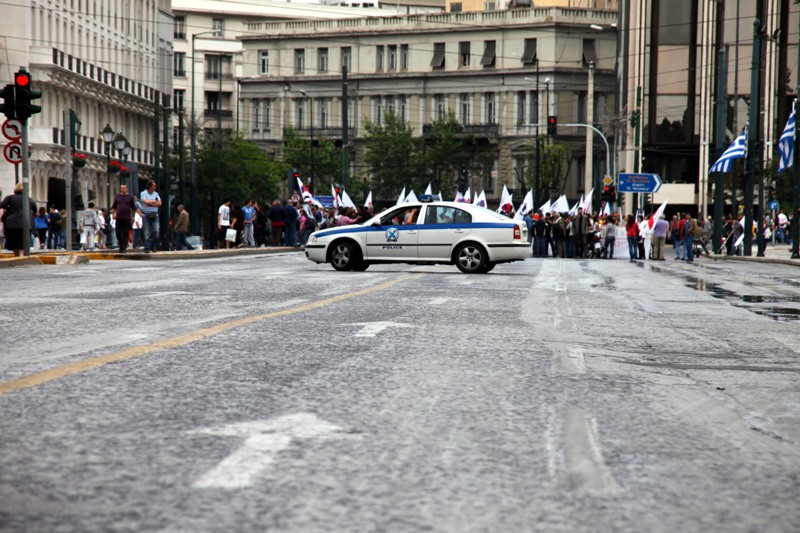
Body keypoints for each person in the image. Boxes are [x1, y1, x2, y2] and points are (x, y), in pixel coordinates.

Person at [0, 182, 37, 256]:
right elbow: (35, 208)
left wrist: (8, 208)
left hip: (12, 224)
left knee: (14, 243)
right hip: (25, 223)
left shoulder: (10, 198)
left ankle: (17, 256)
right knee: (23, 243)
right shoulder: (28, 199)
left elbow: (1, 205)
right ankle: (21, 256)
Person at [111, 184, 138, 254]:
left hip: (127, 218)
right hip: (118, 217)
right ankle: (120, 244)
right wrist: (113, 214)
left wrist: (133, 217)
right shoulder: (117, 196)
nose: (122, 189)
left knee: (125, 233)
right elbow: (114, 206)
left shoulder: (130, 197)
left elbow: (133, 208)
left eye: (124, 188)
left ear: (127, 189)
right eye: (121, 188)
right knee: (118, 232)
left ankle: (123, 247)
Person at [139, 180, 162, 253]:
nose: (155, 187)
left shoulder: (156, 194)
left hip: (154, 214)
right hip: (146, 214)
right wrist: (154, 202)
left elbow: (160, 203)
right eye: (154, 186)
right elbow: (145, 201)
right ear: (150, 187)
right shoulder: (143, 193)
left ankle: (153, 245)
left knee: (156, 231)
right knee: (146, 232)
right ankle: (147, 247)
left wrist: (150, 203)